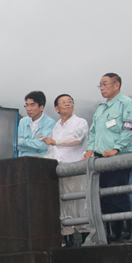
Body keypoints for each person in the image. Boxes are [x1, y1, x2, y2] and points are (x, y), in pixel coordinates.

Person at [83, 73, 132, 243]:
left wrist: (116, 148)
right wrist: (90, 150)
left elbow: (129, 128)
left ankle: (124, 234)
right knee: (104, 198)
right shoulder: (101, 108)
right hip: (101, 160)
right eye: (100, 85)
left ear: (117, 85)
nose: (102, 88)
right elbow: (93, 132)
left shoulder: (127, 103)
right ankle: (110, 234)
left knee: (118, 195)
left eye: (105, 84)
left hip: (119, 157)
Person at [42, 94, 90, 247]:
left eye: (70, 101)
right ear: (57, 108)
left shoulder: (80, 122)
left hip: (75, 169)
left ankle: (85, 239)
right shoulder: (56, 127)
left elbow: (77, 139)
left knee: (80, 204)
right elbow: (52, 151)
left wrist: (56, 142)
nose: (67, 104)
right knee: (63, 206)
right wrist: (41, 158)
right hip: (60, 171)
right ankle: (68, 241)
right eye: (63, 102)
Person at [17, 91, 56, 157]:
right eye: (26, 105)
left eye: (32, 105)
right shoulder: (23, 121)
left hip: (39, 161)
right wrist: (35, 143)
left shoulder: (50, 122)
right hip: (22, 160)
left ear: (41, 107)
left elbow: (42, 145)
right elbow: (16, 146)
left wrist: (21, 141)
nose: (28, 109)